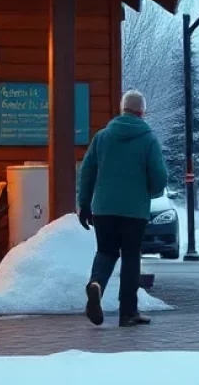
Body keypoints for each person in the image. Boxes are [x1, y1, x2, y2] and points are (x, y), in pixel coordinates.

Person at [77, 89, 168, 328]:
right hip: (134, 210)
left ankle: (96, 284)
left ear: (122, 110)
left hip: (103, 208)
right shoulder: (148, 139)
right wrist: (150, 192)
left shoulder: (102, 137)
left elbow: (86, 173)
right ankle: (128, 312)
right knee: (130, 257)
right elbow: (159, 178)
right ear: (142, 112)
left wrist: (84, 204)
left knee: (106, 252)